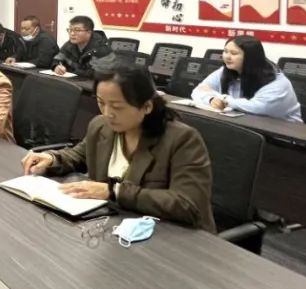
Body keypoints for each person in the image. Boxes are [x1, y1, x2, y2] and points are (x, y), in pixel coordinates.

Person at [22, 64, 215, 231]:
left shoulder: (181, 139)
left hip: (173, 238)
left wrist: (115, 192)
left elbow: (188, 205)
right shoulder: (100, 125)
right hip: (115, 227)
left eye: (117, 107)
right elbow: (79, 155)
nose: (107, 113)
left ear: (146, 106)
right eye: (101, 103)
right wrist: (52, 158)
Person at [191, 35, 302, 122]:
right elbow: (197, 91)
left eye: (234, 53)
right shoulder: (225, 71)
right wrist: (210, 99)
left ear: (250, 57)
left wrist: (223, 99)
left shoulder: (277, 82)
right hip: (243, 124)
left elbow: (258, 108)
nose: (227, 57)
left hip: (283, 134)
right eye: (225, 51)